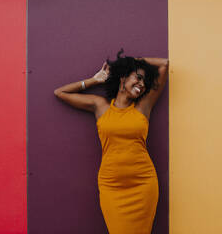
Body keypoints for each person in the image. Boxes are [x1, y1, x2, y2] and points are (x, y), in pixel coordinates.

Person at [54, 48, 169, 234]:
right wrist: (94, 80)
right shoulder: (100, 106)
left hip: (143, 183)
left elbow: (164, 64)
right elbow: (60, 93)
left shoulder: (143, 107)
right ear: (123, 78)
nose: (142, 84)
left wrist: (133, 62)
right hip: (112, 185)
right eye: (137, 77)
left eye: (144, 82)